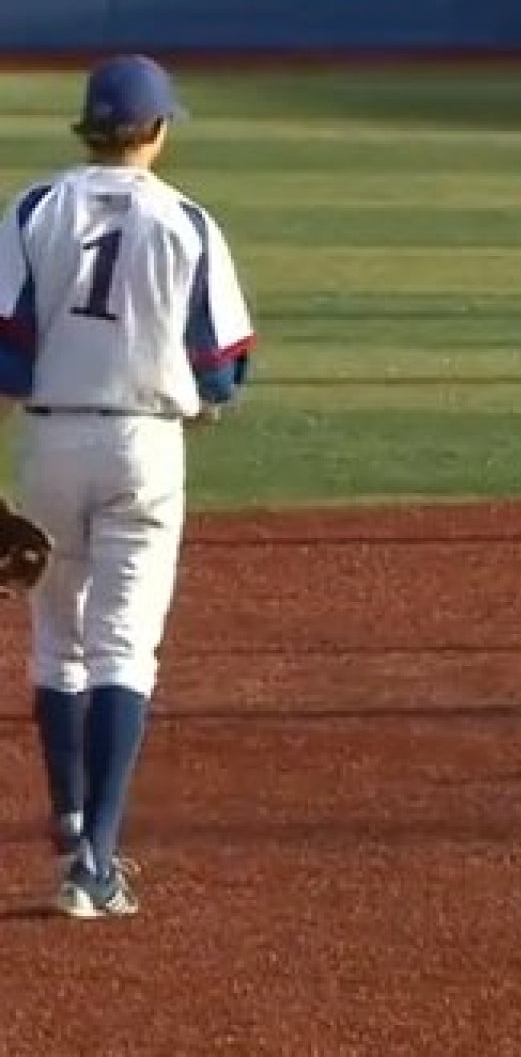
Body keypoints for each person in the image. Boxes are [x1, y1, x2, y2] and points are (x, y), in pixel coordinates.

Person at [0, 54, 256, 919]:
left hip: (48, 440)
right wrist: (204, 398)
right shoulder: (186, 220)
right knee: (123, 647)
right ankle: (95, 864)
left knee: (54, 641)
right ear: (156, 130)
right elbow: (223, 369)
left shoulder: (35, 207)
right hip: (146, 446)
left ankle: (71, 818)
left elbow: (5, 348)